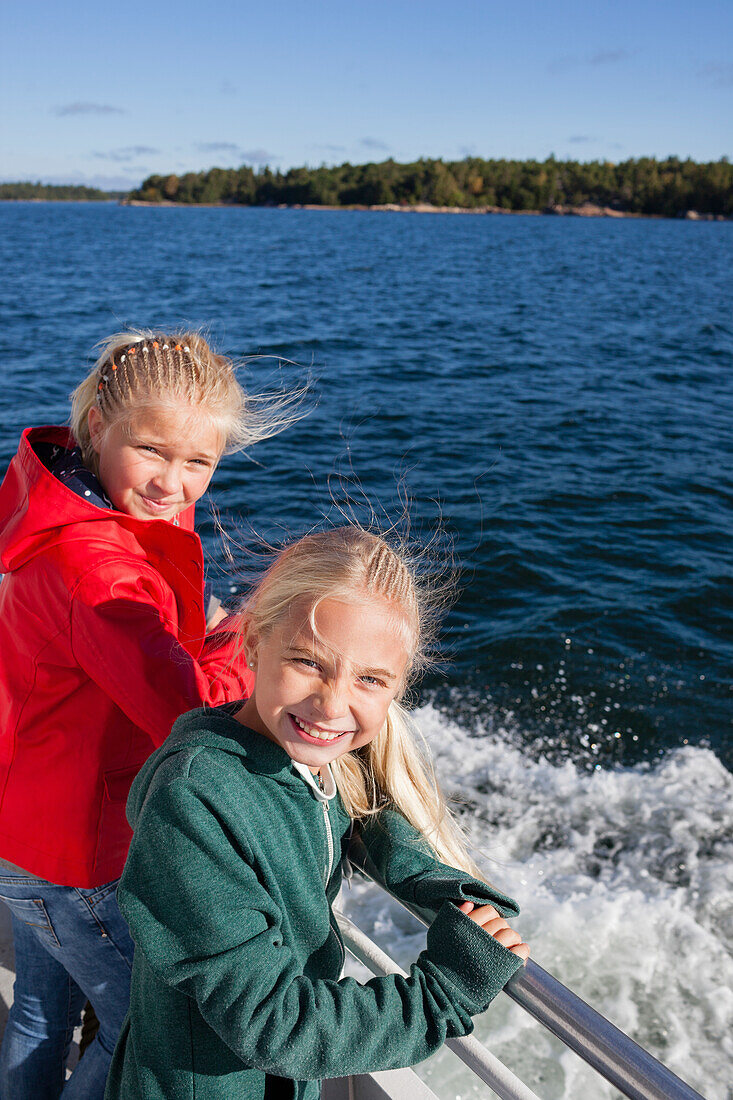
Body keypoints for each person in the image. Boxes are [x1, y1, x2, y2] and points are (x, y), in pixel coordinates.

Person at [105, 525, 529, 1100]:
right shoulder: (194, 800)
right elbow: (274, 1023)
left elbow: (369, 813)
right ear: (253, 640)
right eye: (308, 662)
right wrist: (446, 991)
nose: (331, 704)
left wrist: (451, 891)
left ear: (398, 686)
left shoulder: (313, 755)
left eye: (369, 679)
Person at [0, 330, 294, 1099]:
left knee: (40, 1009)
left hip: (24, 828)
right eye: (153, 451)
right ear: (98, 426)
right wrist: (260, 621)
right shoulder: (99, 573)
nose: (172, 483)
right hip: (75, 858)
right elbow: (189, 708)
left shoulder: (64, 504)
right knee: (142, 1025)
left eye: (198, 462)